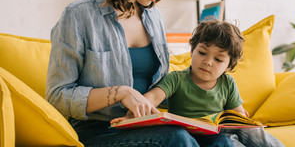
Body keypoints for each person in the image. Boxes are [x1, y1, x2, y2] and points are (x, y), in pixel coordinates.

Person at [46, 0, 233, 147]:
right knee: (176, 139)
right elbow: (57, 96)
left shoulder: (153, 17)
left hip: (147, 124)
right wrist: (120, 93)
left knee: (220, 141)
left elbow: (165, 84)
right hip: (97, 129)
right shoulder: (78, 16)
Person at [111, 19, 285, 147]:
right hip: (185, 136)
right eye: (202, 53)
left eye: (218, 59)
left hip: (217, 134)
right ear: (192, 50)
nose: (208, 62)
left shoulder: (227, 83)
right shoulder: (177, 79)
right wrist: (131, 114)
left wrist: (243, 119)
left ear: (229, 65)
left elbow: (236, 116)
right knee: (228, 142)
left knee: (247, 133)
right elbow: (151, 98)